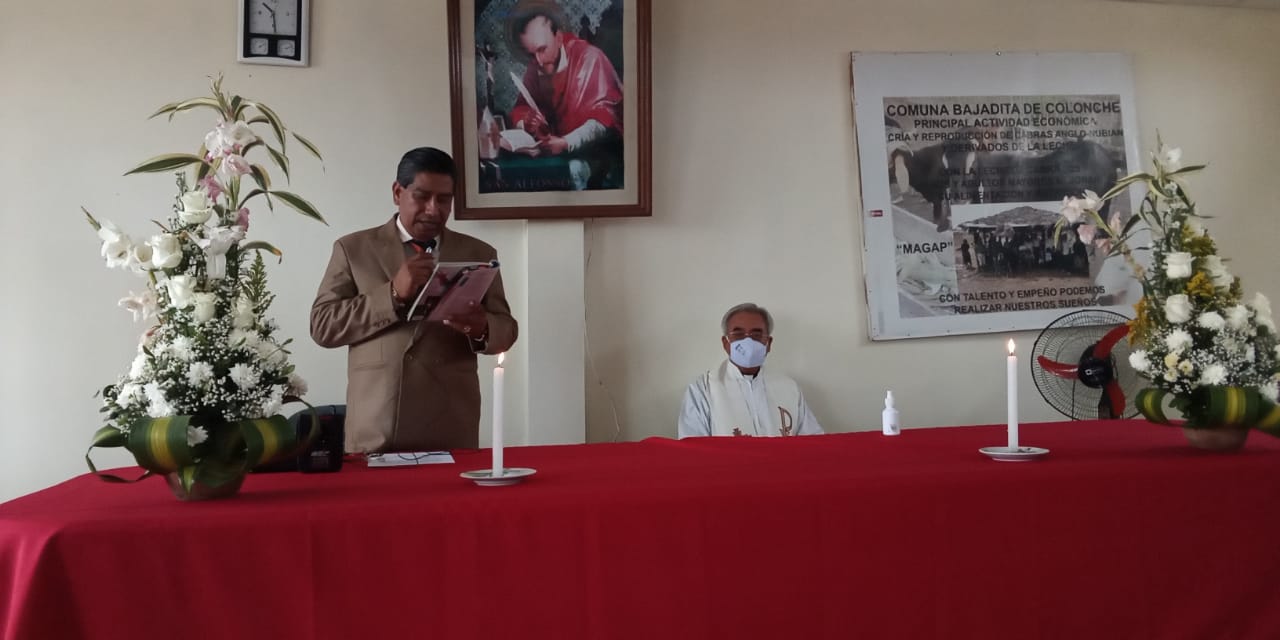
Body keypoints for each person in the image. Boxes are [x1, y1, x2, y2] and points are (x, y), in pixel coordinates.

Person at [310, 147, 518, 453]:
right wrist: (392, 294)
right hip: (376, 426)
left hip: (451, 423)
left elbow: (507, 330)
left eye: (444, 199)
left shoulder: (479, 253)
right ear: (398, 192)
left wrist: (482, 327)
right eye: (422, 196)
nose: (433, 209)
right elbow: (323, 326)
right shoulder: (353, 249)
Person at [506, 0, 623, 188]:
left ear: (559, 37)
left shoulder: (590, 58)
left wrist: (566, 142)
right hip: (555, 157)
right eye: (531, 54)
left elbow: (606, 117)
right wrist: (526, 122)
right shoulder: (535, 67)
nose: (538, 61)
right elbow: (521, 107)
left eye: (542, 49)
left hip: (599, 160)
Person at [678, 303, 824, 438]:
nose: (748, 341)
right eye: (738, 334)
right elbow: (694, 448)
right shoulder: (703, 390)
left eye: (756, 334)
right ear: (725, 343)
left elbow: (813, 442)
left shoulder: (789, 388)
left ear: (768, 343)